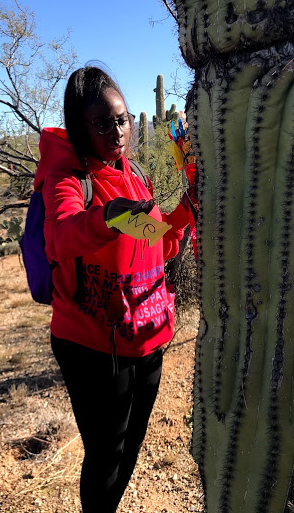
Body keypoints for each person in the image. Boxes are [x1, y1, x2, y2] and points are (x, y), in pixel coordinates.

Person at [34, 65, 194, 512]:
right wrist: (106, 217)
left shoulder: (134, 174)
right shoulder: (69, 179)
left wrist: (185, 208)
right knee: (105, 455)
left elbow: (155, 242)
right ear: (79, 126)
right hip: (90, 342)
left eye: (121, 119)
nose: (117, 131)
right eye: (102, 123)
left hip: (146, 332)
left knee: (127, 448)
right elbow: (62, 235)